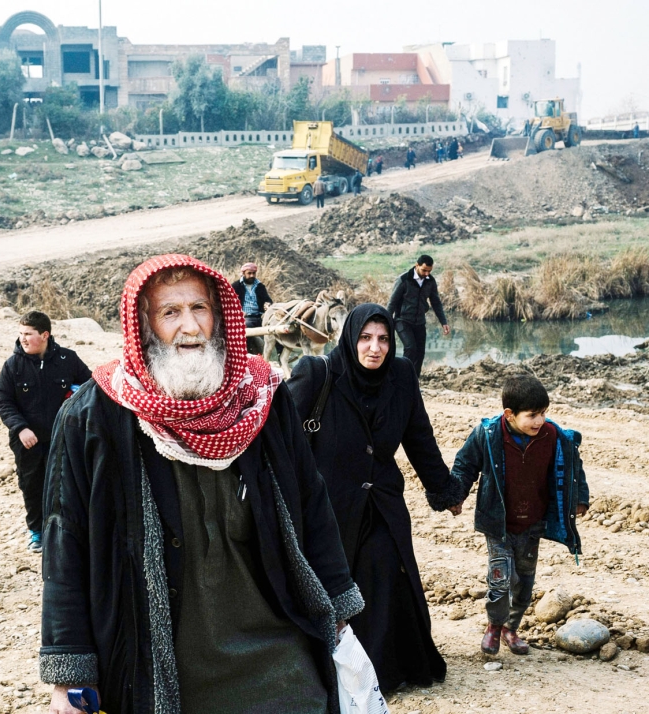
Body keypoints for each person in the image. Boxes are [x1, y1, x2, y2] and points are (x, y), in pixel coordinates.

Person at [40, 255, 363, 714]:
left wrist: (339, 612)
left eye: (200, 309)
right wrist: (69, 676)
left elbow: (311, 503)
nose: (189, 327)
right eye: (170, 313)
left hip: (277, 650)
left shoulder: (261, 400)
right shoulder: (93, 418)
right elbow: (65, 542)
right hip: (161, 664)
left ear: (220, 315)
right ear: (144, 325)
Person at [287, 303, 465, 692]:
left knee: (386, 574)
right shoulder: (317, 374)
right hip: (328, 507)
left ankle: (386, 671)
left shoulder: (401, 375)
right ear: (350, 338)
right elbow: (283, 441)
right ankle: (332, 670)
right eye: (366, 338)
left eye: (384, 339)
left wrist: (443, 488)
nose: (375, 348)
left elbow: (419, 436)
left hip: (383, 500)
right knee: (336, 585)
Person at [452, 375, 589, 656]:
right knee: (501, 579)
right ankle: (493, 626)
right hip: (498, 523)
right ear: (509, 415)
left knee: (525, 582)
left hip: (533, 523)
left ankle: (510, 629)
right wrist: (456, 495)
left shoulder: (552, 435)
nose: (540, 421)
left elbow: (574, 466)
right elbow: (465, 465)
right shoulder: (488, 435)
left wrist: (579, 499)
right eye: (533, 415)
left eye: (543, 413)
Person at [0, 311, 91, 553]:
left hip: (63, 439)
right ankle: (37, 533)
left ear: (45, 335)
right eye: (20, 334)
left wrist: (77, 391)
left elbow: (91, 387)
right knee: (32, 485)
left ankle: (65, 533)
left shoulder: (68, 359)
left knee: (67, 486)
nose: (22, 339)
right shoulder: (13, 366)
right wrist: (21, 428)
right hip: (28, 442)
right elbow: (3, 401)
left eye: (28, 334)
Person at [386, 255, 450, 376]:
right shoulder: (404, 279)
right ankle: (402, 378)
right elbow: (392, 303)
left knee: (420, 353)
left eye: (429, 271)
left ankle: (414, 382)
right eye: (424, 270)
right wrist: (386, 322)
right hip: (402, 321)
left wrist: (444, 322)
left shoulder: (430, 281)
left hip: (420, 322)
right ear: (417, 265)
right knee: (410, 348)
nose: (427, 274)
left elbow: (436, 303)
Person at [231, 262, 273, 355]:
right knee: (246, 327)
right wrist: (238, 312)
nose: (251, 275)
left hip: (260, 316)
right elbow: (230, 303)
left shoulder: (260, 286)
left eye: (253, 273)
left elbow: (267, 299)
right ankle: (247, 355)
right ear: (243, 273)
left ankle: (279, 354)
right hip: (245, 318)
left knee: (274, 326)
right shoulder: (236, 286)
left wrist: (267, 304)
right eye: (249, 273)